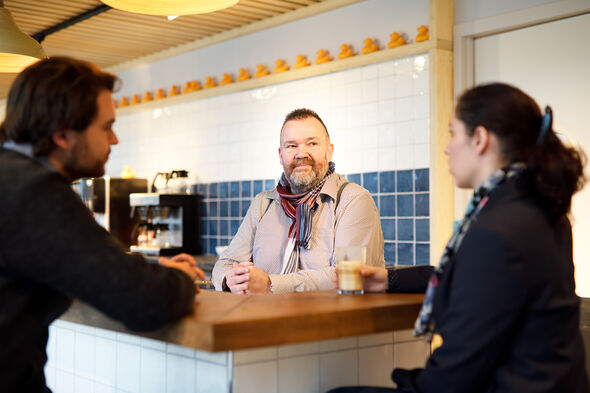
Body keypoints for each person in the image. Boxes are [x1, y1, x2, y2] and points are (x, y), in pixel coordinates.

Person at [328, 83, 589, 393]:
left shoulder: (497, 229)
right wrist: (388, 281)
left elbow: (455, 374)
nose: (446, 147)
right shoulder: (539, 208)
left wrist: (404, 382)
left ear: (479, 139)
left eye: (453, 133)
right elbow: (476, 281)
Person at [0, 57, 204, 393]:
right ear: (63, 134)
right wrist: (180, 278)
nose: (115, 140)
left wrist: (149, 267)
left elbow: (79, 263)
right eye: (106, 127)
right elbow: (143, 301)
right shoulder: (33, 190)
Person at [212, 108, 385, 293]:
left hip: (330, 321)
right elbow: (226, 263)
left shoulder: (353, 201)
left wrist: (271, 284)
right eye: (291, 146)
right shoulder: (263, 204)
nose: (301, 154)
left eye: (311, 143)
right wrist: (229, 279)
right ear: (280, 155)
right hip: (264, 319)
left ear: (329, 151)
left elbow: (349, 277)